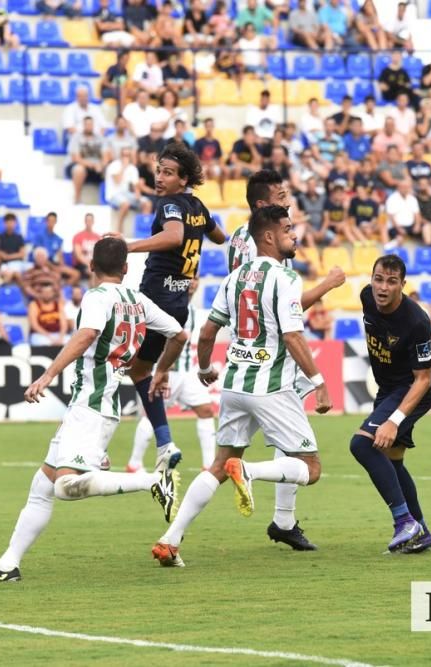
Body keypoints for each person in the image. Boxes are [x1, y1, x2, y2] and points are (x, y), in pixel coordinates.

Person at [0, 237, 188, 582]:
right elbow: (179, 335)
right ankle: (8, 564)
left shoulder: (97, 297)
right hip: (95, 405)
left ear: (91, 267)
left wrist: (47, 375)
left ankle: (152, 481)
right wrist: (162, 370)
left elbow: (86, 334)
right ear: (126, 269)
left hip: (92, 405)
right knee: (42, 485)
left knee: (64, 487)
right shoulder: (138, 300)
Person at [151, 206, 330, 568]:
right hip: (271, 387)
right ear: (268, 237)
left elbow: (207, 332)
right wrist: (319, 382)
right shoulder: (285, 278)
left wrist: (204, 368)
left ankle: (170, 540)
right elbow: (292, 336)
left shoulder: (232, 279)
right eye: (287, 229)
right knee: (310, 468)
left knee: (217, 464)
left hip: (233, 384)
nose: (293, 235)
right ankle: (249, 471)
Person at [227, 170, 346, 550]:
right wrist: (326, 285)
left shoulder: (239, 238)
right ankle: (249, 483)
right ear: (263, 207)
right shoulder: (261, 249)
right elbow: (279, 311)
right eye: (281, 196)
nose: (288, 201)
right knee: (293, 452)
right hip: (268, 358)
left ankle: (283, 521)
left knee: (286, 440)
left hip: (256, 353)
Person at [123, 142, 226, 514]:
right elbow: (218, 236)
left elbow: (173, 237)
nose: (159, 176)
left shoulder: (170, 206)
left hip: (152, 300)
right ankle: (165, 443)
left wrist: (127, 247)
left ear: (183, 178)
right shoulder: (196, 206)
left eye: (167, 172)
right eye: (158, 169)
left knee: (116, 361)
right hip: (179, 304)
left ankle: (154, 443)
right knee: (141, 370)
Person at [351, 254, 431, 553]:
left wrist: (394, 419)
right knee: (391, 460)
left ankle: (405, 522)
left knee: (362, 444)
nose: (382, 287)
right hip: (388, 388)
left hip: (413, 389)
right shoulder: (366, 297)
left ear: (402, 285)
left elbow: (423, 379)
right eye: (378, 279)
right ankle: (421, 531)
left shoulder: (416, 321)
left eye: (391, 281)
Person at [129, 279, 216, 473]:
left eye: (196, 279)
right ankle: (134, 463)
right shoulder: (168, 307)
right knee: (152, 414)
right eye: (189, 279)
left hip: (188, 373)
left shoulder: (194, 311)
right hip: (169, 372)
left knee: (206, 411)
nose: (193, 283)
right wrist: (163, 367)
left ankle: (209, 465)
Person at [32, 211, 80, 285]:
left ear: (56, 222)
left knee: (76, 274)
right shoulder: (39, 236)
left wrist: (62, 266)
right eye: (49, 220)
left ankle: (63, 291)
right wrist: (53, 267)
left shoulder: (58, 239)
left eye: (53, 221)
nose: (51, 223)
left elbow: (60, 255)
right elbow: (39, 257)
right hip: (44, 265)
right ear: (46, 221)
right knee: (57, 276)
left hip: (55, 265)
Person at [68, 117, 105, 204]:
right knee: (79, 169)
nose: (89, 126)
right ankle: (77, 198)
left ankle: (108, 200)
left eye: (91, 124)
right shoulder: (76, 138)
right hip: (81, 165)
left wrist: (102, 164)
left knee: (110, 168)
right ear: (83, 125)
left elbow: (106, 155)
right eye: (87, 124)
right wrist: (92, 165)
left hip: (97, 167)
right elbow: (76, 158)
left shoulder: (100, 138)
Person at [71, 213, 100, 281]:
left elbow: (100, 254)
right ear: (85, 221)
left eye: (90, 220)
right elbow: (78, 256)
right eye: (87, 220)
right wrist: (89, 264)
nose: (89, 222)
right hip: (81, 265)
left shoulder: (98, 237)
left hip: (94, 264)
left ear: (93, 222)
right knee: (92, 272)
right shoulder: (78, 236)